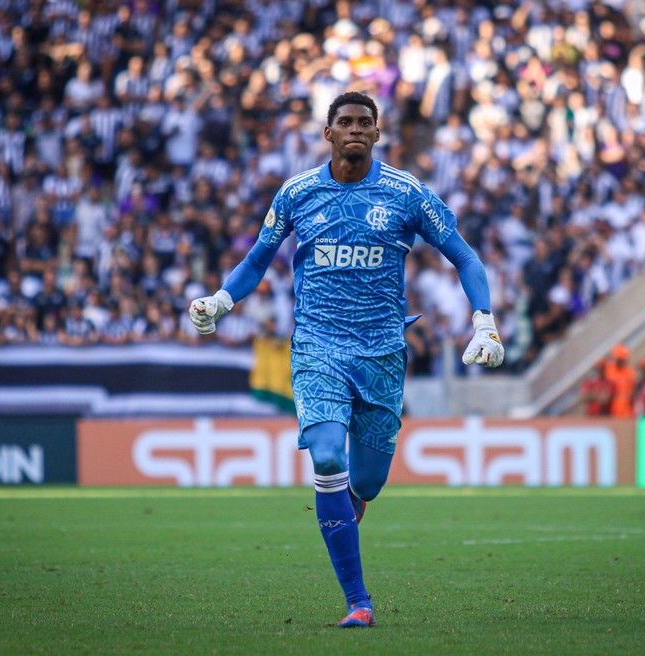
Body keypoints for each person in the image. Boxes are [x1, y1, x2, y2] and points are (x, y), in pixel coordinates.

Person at [189, 92, 504, 628]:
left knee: (369, 482)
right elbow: (257, 258)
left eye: (365, 123)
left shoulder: (407, 193)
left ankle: (353, 500)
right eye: (345, 122)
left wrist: (485, 321)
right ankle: (359, 601)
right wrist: (220, 301)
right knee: (328, 458)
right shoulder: (297, 193)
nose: (355, 129)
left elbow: (465, 256)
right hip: (318, 347)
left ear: (377, 134)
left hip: (382, 352)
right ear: (328, 132)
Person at [604, 343, 637, 418]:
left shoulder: (630, 371)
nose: (624, 361)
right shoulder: (608, 370)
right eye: (622, 359)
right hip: (610, 411)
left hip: (627, 411)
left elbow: (633, 390)